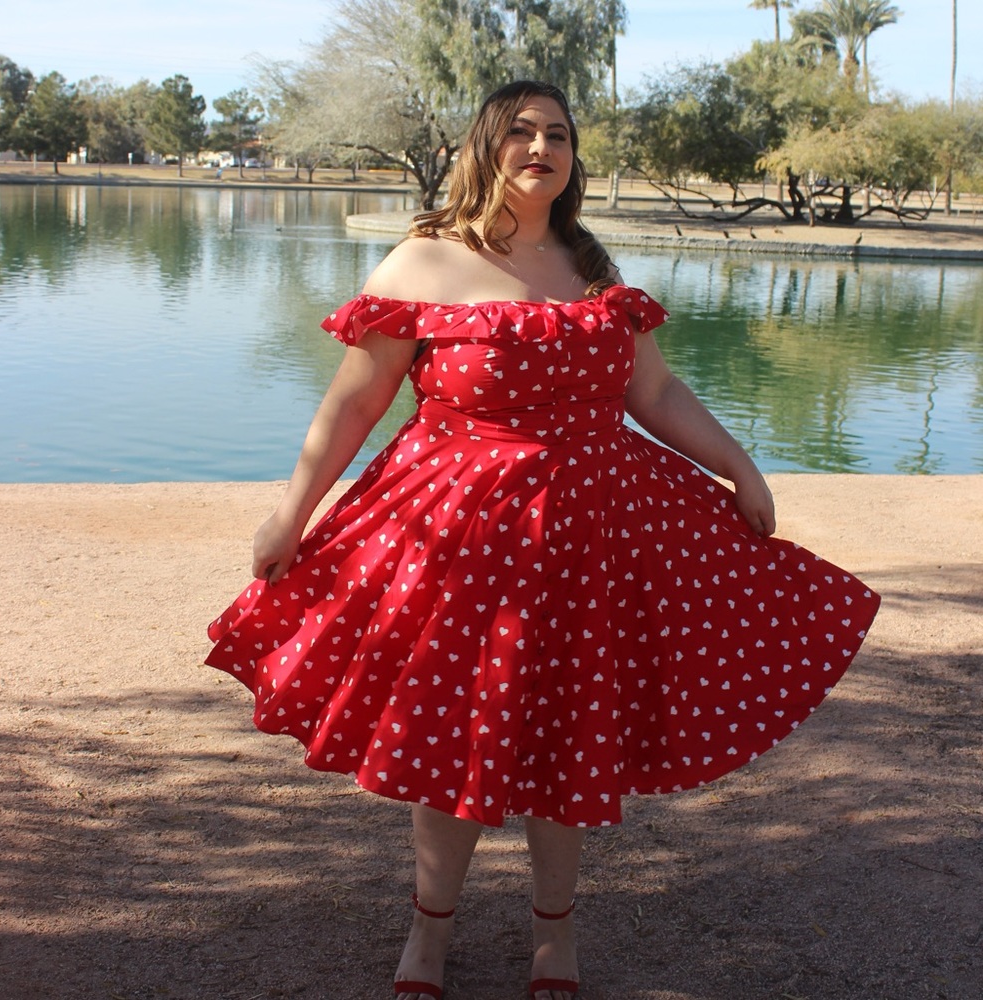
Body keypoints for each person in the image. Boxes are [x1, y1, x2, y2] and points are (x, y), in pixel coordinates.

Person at [205, 80, 880, 1000]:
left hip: (592, 545)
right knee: (451, 746)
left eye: (557, 134)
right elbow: (355, 402)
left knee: (570, 738)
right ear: (485, 147)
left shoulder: (592, 266)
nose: (540, 146)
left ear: (573, 158)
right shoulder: (424, 260)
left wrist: (740, 466)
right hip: (458, 545)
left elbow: (655, 396)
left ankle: (552, 941)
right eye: (520, 131)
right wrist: (292, 512)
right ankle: (428, 937)